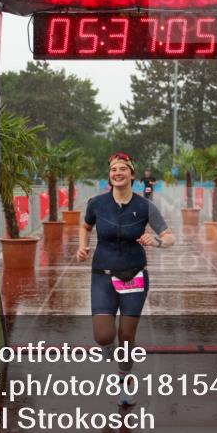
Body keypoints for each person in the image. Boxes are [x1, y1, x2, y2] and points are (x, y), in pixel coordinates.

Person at [78, 153, 175, 406]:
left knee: (126, 336)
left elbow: (169, 237)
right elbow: (85, 226)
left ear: (132, 175)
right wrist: (82, 246)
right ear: (109, 175)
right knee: (103, 336)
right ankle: (109, 351)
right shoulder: (96, 203)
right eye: (113, 169)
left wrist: (156, 241)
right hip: (103, 276)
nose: (117, 172)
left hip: (134, 276)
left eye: (123, 169)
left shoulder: (144, 207)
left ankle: (124, 380)